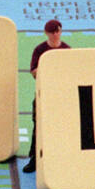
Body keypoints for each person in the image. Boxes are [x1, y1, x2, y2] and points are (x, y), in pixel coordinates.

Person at [23, 18, 70, 174]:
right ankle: (34, 159)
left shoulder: (67, 50)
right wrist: (48, 67)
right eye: (52, 32)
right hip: (43, 93)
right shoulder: (40, 50)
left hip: (61, 94)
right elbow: (34, 72)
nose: (55, 35)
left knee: (62, 125)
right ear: (47, 33)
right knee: (38, 126)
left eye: (57, 31)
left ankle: (60, 158)